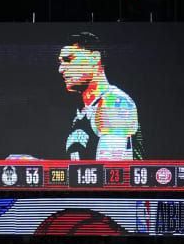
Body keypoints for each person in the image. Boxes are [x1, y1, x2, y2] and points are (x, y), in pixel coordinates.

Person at [56, 32, 142, 161]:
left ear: (95, 58)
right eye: (61, 62)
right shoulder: (83, 113)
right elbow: (83, 172)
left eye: (68, 60)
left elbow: (109, 172)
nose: (61, 69)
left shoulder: (115, 103)